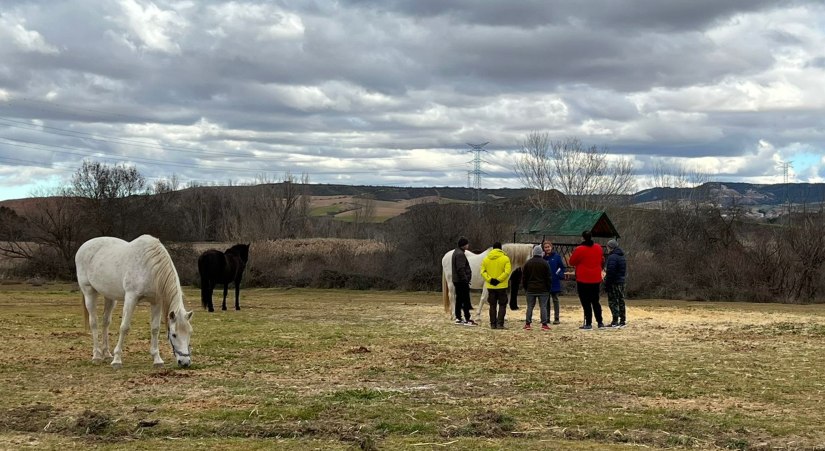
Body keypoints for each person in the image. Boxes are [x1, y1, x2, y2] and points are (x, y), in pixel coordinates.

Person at [568, 230, 605, 330]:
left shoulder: (580, 249)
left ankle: (588, 323)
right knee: (595, 301)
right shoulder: (598, 248)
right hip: (596, 278)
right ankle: (600, 322)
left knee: (586, 302)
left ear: (583, 238)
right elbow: (601, 260)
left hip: (583, 278)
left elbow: (572, 262)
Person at [481, 241, 512, 329]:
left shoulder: (486, 259)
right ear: (501, 248)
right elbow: (507, 272)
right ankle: (500, 324)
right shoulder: (505, 258)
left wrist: (490, 279)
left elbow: (482, 271)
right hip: (502, 286)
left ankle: (493, 324)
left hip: (490, 286)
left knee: (492, 305)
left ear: (493, 248)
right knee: (502, 304)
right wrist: (499, 280)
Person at [522, 244, 552, 330]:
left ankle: (528, 324)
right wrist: (548, 288)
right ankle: (544, 324)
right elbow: (548, 277)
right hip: (543, 289)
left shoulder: (528, 263)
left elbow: (524, 278)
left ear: (533, 252)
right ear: (541, 253)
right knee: (543, 307)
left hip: (530, 288)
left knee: (530, 306)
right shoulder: (545, 263)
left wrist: (526, 288)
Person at [451, 237, 477, 326]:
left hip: (457, 280)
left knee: (459, 299)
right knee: (465, 299)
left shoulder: (456, 252)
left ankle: (458, 317)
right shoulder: (460, 254)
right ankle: (467, 318)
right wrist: (465, 279)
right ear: (464, 245)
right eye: (467, 244)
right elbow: (460, 268)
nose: (468, 245)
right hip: (461, 281)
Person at [604, 239, 627, 328]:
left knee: (613, 301)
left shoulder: (612, 257)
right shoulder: (622, 256)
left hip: (614, 282)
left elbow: (611, 271)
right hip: (621, 281)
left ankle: (615, 320)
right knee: (621, 300)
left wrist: (607, 283)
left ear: (610, 247)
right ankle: (622, 320)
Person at [542, 241, 565, 324]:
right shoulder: (543, 258)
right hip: (545, 283)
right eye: (545, 247)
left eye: (548, 247)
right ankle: (546, 318)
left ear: (551, 247)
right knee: (546, 301)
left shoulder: (557, 257)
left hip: (554, 281)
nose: (547, 248)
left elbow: (562, 268)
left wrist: (558, 274)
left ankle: (556, 318)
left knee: (555, 300)